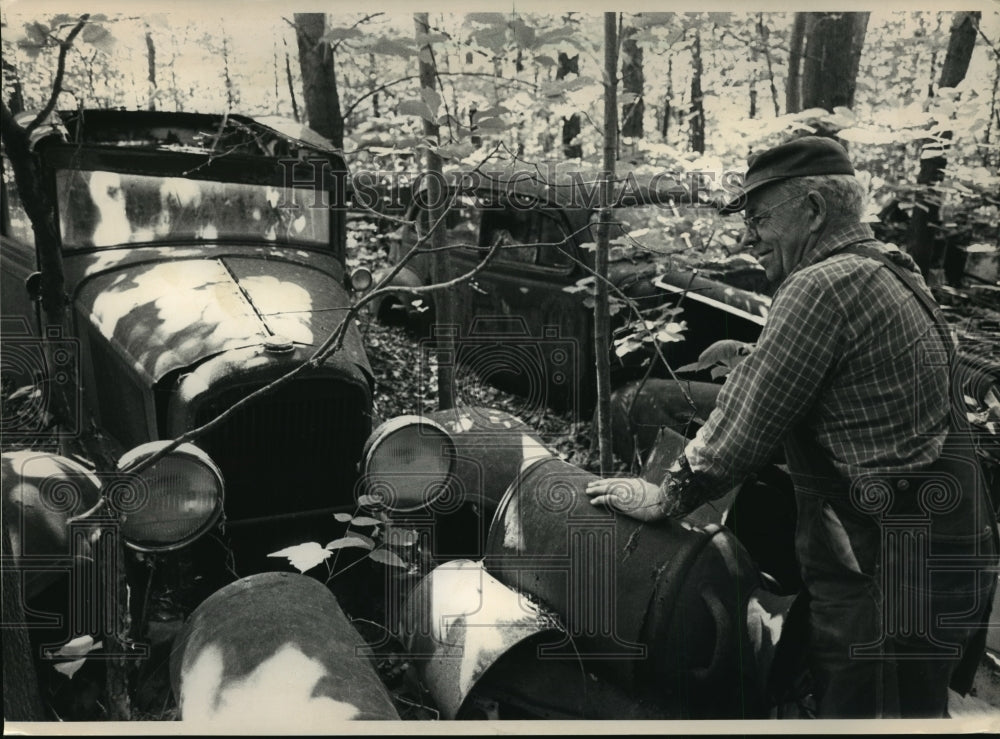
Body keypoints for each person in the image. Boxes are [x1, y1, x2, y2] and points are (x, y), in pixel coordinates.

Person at [586, 136, 997, 718]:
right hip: (945, 550)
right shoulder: (890, 266)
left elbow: (746, 421)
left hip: (883, 574)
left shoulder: (819, 286)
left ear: (813, 209)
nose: (748, 237)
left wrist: (667, 495)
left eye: (759, 219)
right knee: (915, 711)